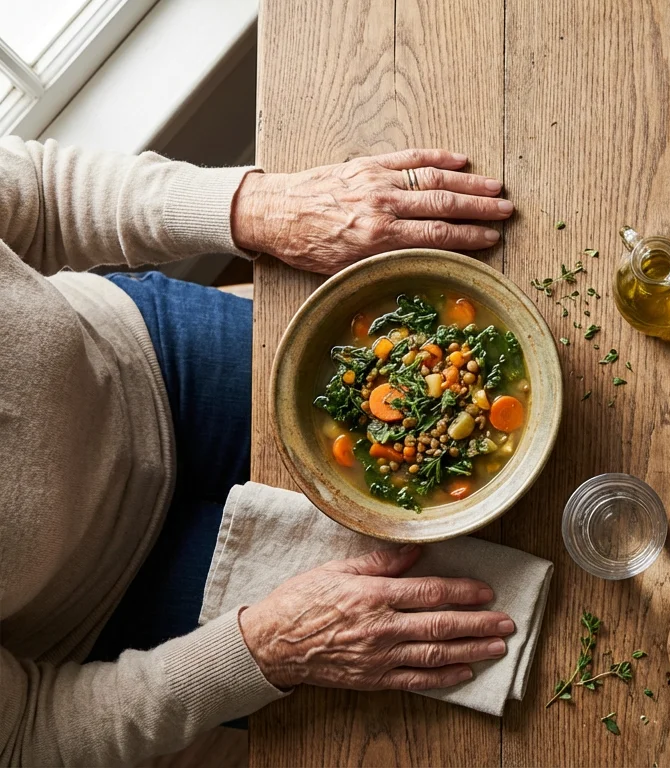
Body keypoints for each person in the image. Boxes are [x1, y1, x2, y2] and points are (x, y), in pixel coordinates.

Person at [0, 142, 525, 765]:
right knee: (473, 624)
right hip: (106, 604)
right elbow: (24, 735)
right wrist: (270, 649)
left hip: (145, 359)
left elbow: (40, 194)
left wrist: (262, 205)